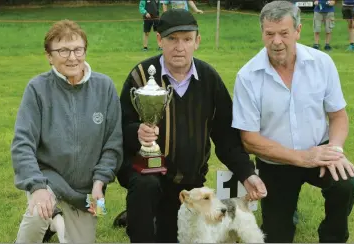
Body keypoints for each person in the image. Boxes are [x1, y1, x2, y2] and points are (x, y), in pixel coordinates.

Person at [113, 9, 267, 243]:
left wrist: (246, 174)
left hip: (189, 181)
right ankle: (140, 220)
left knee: (171, 235)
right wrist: (137, 132)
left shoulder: (209, 79)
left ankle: (151, 217)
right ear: (159, 40)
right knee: (146, 190)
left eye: (186, 39)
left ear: (197, 42)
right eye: (172, 39)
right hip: (147, 174)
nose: (179, 47)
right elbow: (118, 128)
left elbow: (226, 136)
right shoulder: (142, 76)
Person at [232, 1, 354, 243]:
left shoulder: (322, 63)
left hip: (319, 152)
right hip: (275, 162)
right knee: (277, 236)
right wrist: (302, 158)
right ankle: (285, 217)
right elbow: (249, 139)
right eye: (269, 34)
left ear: (298, 31)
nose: (276, 41)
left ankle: (333, 236)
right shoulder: (247, 77)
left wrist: (335, 150)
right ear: (262, 33)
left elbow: (338, 115)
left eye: (284, 33)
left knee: (346, 183)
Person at [11, 19, 123, 243]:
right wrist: (37, 187)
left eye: (78, 49)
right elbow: (22, 144)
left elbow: (113, 145)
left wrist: (100, 182)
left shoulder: (105, 87)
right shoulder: (37, 88)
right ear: (49, 56)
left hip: (88, 191)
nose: (72, 57)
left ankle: (55, 224)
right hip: (48, 181)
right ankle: (47, 217)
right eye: (63, 50)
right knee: (36, 214)